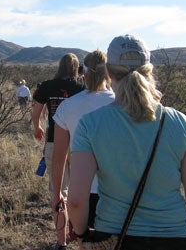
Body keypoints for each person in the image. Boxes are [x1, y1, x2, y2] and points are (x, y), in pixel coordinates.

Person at [68, 35, 186, 250]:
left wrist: (81, 234)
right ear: (149, 71)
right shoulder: (180, 122)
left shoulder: (90, 124)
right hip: (176, 239)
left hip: (114, 238)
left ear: (109, 72)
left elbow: (77, 200)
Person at [51, 50, 115, 238]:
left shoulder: (68, 107)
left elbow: (59, 156)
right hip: (121, 191)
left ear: (84, 73)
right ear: (109, 73)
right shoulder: (122, 103)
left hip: (83, 192)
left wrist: (57, 194)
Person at [32, 53, 85, 250]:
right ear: (76, 68)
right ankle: (79, 234)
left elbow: (36, 112)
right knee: (81, 191)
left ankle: (61, 241)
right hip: (81, 144)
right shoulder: (82, 89)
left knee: (58, 192)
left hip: (55, 142)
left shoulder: (46, 86)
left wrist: (37, 127)